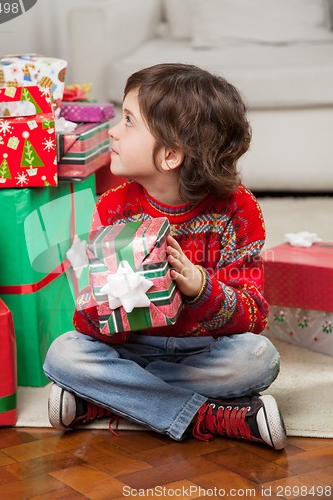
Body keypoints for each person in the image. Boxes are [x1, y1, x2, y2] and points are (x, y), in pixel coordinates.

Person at [44, 63, 287, 450]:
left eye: (128, 122)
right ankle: (207, 415)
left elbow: (254, 315)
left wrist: (200, 288)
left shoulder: (238, 210)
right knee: (63, 355)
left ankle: (112, 399)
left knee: (259, 358)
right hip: (132, 347)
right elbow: (91, 325)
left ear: (170, 155)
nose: (112, 132)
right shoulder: (113, 208)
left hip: (204, 349)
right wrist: (107, 300)